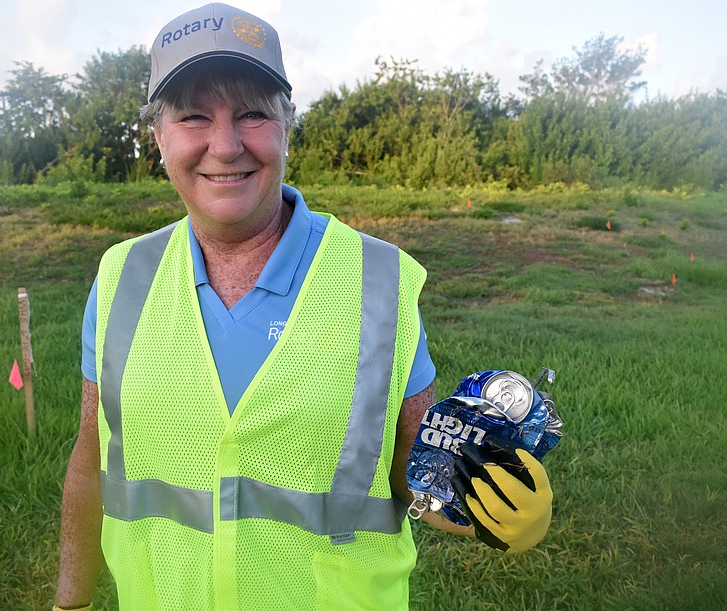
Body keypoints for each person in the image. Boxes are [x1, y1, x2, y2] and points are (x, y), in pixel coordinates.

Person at [54, 3, 554, 610]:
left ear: (287, 126)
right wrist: (70, 603)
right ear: (159, 136)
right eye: (193, 116)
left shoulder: (377, 280)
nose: (225, 146)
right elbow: (91, 463)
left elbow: (410, 463)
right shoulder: (121, 278)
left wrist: (483, 506)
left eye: (252, 113)